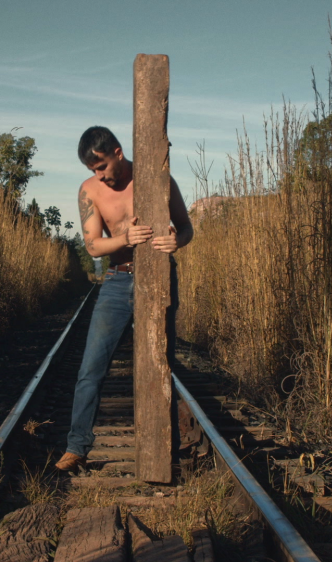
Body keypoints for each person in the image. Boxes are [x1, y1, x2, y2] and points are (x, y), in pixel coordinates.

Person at [55, 126, 193, 472]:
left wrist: (178, 241)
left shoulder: (159, 181)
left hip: (159, 278)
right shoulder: (90, 191)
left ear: (118, 152)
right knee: (91, 368)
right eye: (92, 171)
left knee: (162, 365)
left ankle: (167, 446)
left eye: (101, 167)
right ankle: (77, 448)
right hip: (117, 282)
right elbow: (93, 245)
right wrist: (125, 238)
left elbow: (186, 226)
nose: (99, 176)